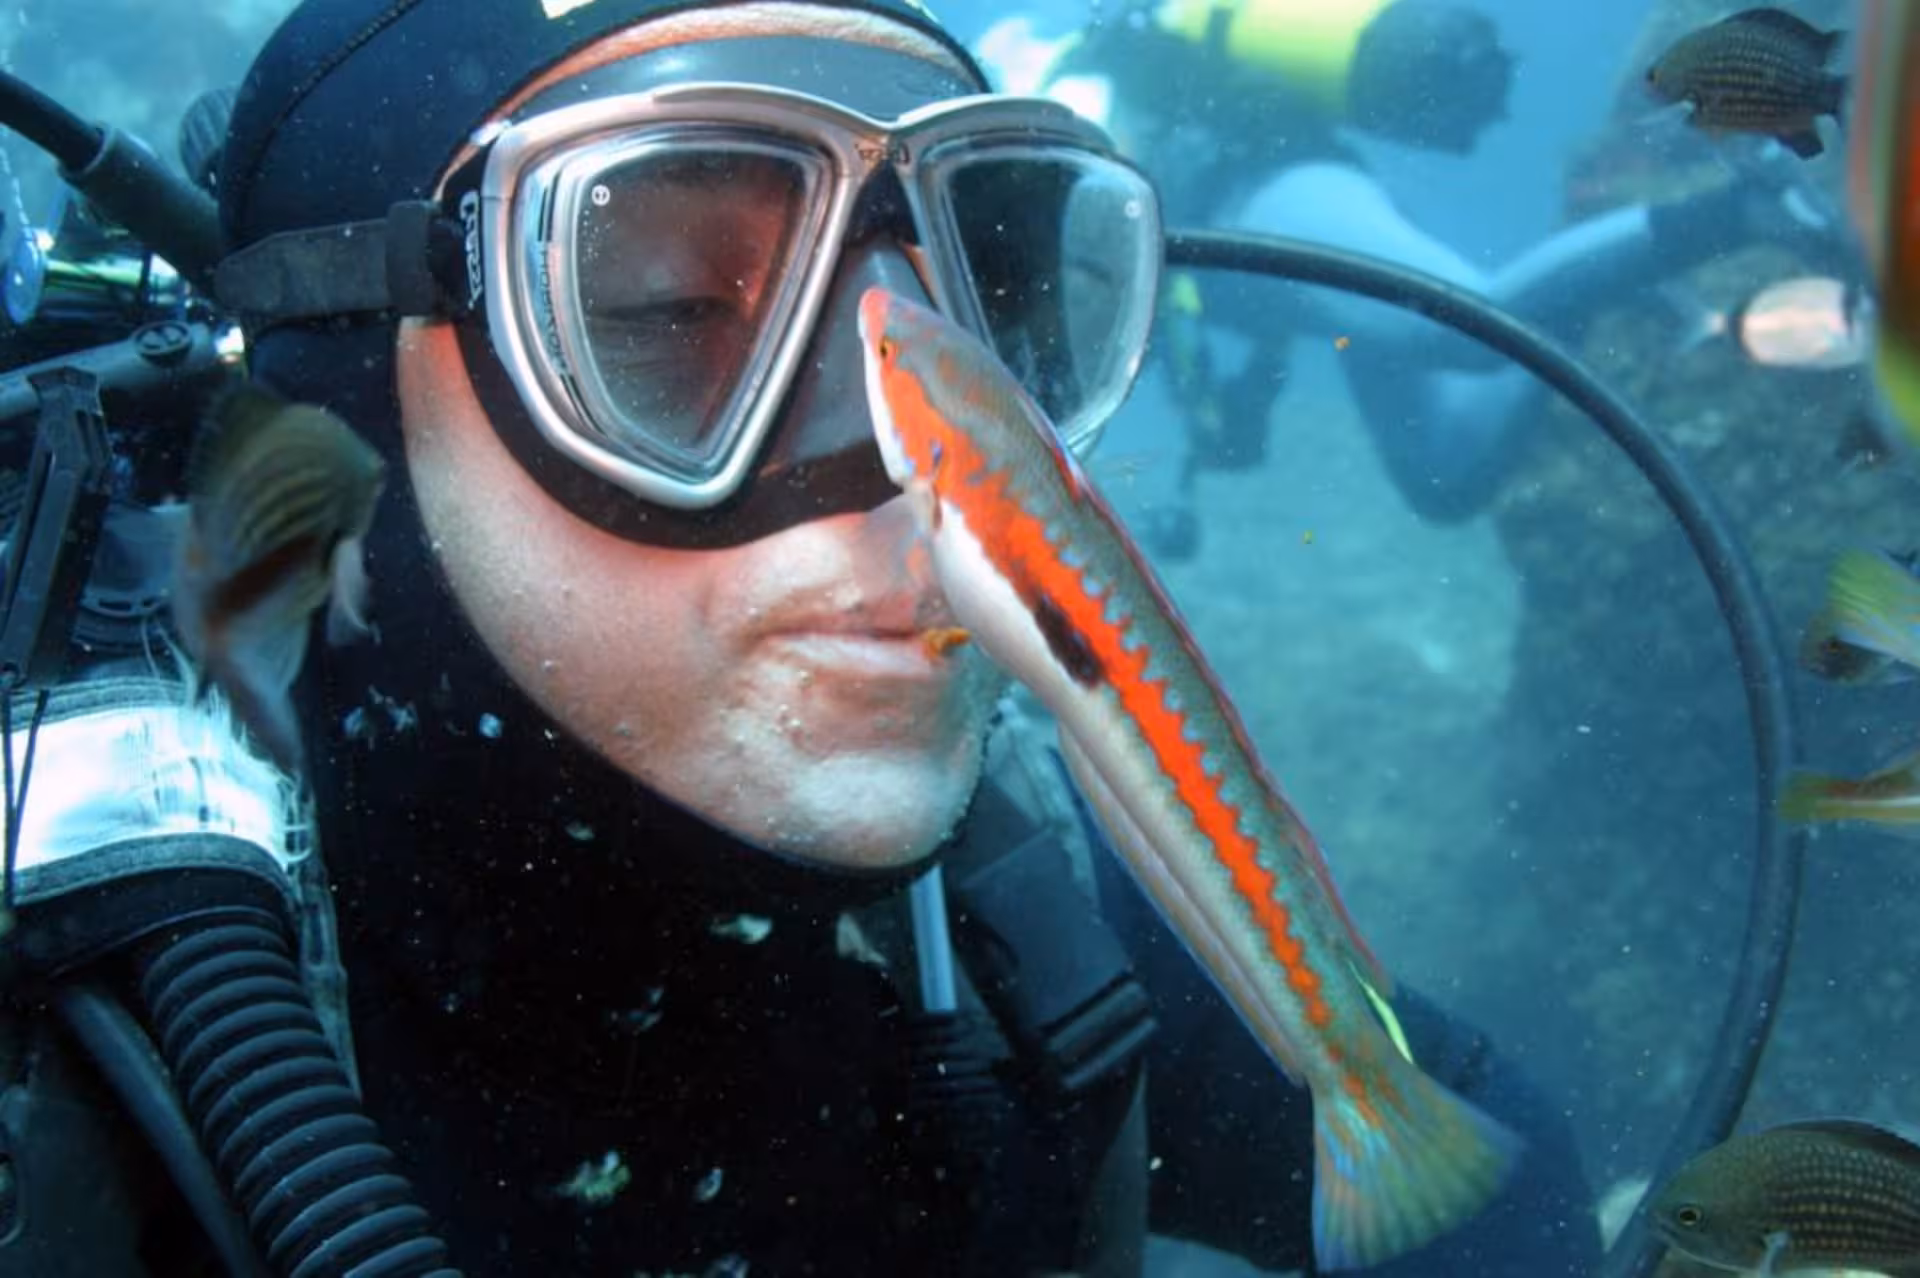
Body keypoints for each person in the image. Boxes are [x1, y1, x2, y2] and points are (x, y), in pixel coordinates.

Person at [0, 0, 1603, 1275]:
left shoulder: (1004, 923)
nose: (893, 487)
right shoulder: (75, 1035)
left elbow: (1482, 1170)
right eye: (671, 316)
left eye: (997, 293)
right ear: (343, 386)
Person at [979, 0, 1866, 543]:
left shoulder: (1036, 126)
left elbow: (1137, 227)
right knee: (1446, 472)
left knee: (1470, 323)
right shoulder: (1047, 139)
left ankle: (1735, 212)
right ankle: (1594, 278)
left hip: (1270, 195)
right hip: (1279, 269)